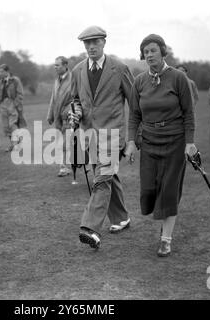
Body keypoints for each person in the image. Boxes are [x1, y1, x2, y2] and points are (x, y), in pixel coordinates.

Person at [125, 34, 197, 257]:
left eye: (153, 50)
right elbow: (134, 115)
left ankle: (166, 239)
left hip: (174, 142)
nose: (149, 55)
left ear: (163, 51)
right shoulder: (139, 81)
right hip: (149, 142)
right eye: (145, 52)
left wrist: (190, 143)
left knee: (169, 191)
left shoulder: (178, 78)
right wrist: (130, 141)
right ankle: (163, 223)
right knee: (148, 189)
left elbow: (189, 114)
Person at [69, 26, 134, 249]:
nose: (91, 47)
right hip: (90, 136)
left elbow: (134, 104)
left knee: (102, 180)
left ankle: (90, 228)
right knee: (108, 176)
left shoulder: (120, 68)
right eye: (87, 43)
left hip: (113, 135)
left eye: (95, 42)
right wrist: (75, 112)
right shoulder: (77, 70)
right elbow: (75, 99)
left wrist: (135, 138)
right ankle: (122, 217)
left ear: (104, 42)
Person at [47, 56, 72, 177]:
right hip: (58, 117)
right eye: (54, 65)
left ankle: (64, 167)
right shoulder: (57, 80)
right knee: (61, 143)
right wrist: (50, 115)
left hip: (69, 117)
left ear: (65, 65)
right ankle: (65, 166)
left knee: (65, 143)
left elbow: (77, 98)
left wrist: (69, 111)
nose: (55, 67)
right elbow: (53, 98)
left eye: (57, 65)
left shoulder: (74, 79)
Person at [0, 64, 27, 152]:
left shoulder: (15, 80)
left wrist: (15, 104)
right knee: (6, 127)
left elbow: (20, 94)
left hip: (13, 104)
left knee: (12, 125)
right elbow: (1, 94)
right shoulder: (1, 81)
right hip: (3, 105)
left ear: (7, 71)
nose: (0, 73)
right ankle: (12, 144)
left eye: (2, 71)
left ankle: (18, 144)